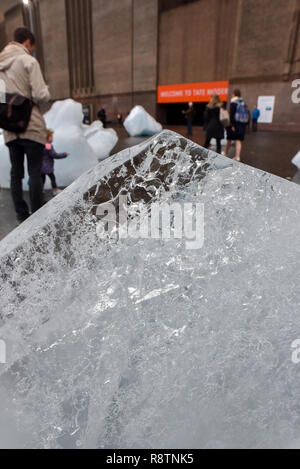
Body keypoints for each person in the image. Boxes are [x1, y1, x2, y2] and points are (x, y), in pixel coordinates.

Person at [0, 27, 50, 224]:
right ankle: (36, 217)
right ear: (28, 42)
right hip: (31, 125)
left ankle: (21, 215)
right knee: (35, 171)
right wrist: (46, 92)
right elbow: (40, 95)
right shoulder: (28, 61)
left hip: (10, 127)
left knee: (16, 173)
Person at [41, 130, 69, 196]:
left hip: (41, 167)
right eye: (51, 137)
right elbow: (54, 155)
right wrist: (64, 154)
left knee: (42, 179)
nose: (52, 138)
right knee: (52, 178)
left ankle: (41, 190)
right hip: (47, 167)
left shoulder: (41, 145)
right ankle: (55, 190)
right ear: (47, 137)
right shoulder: (48, 145)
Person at [224, 89, 249, 162]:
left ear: (234, 94)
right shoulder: (243, 103)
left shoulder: (233, 103)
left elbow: (232, 115)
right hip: (242, 124)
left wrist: (233, 125)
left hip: (235, 124)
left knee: (229, 138)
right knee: (238, 140)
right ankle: (237, 156)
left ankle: (225, 152)